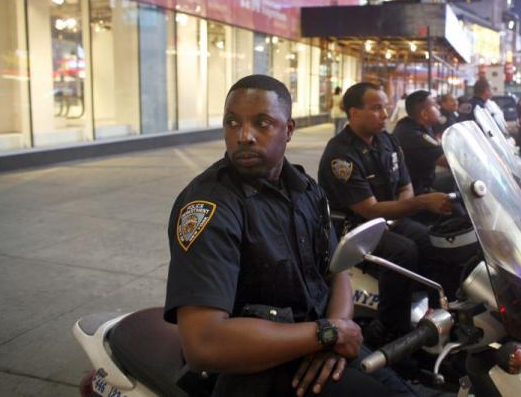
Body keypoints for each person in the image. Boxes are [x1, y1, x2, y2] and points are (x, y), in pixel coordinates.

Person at [164, 75, 412, 396]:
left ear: (289, 130)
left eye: (262, 123)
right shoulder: (211, 207)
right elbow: (203, 344)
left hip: (317, 348)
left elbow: (337, 273)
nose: (244, 136)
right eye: (232, 122)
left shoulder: (306, 190)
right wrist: (327, 333)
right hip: (255, 370)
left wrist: (336, 334)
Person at [318, 82, 453, 346]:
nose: (384, 113)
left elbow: (405, 186)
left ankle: (437, 316)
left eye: (385, 106)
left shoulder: (387, 140)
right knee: (403, 251)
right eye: (376, 108)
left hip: (387, 220)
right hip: (352, 229)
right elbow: (368, 209)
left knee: (431, 239)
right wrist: (421, 203)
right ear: (354, 113)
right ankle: (392, 331)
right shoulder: (340, 155)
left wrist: (398, 215)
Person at [392, 91, 449, 196]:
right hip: (416, 192)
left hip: (425, 181)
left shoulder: (416, 125)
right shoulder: (412, 134)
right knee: (456, 206)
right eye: (434, 105)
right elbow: (447, 160)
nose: (439, 107)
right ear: (424, 114)